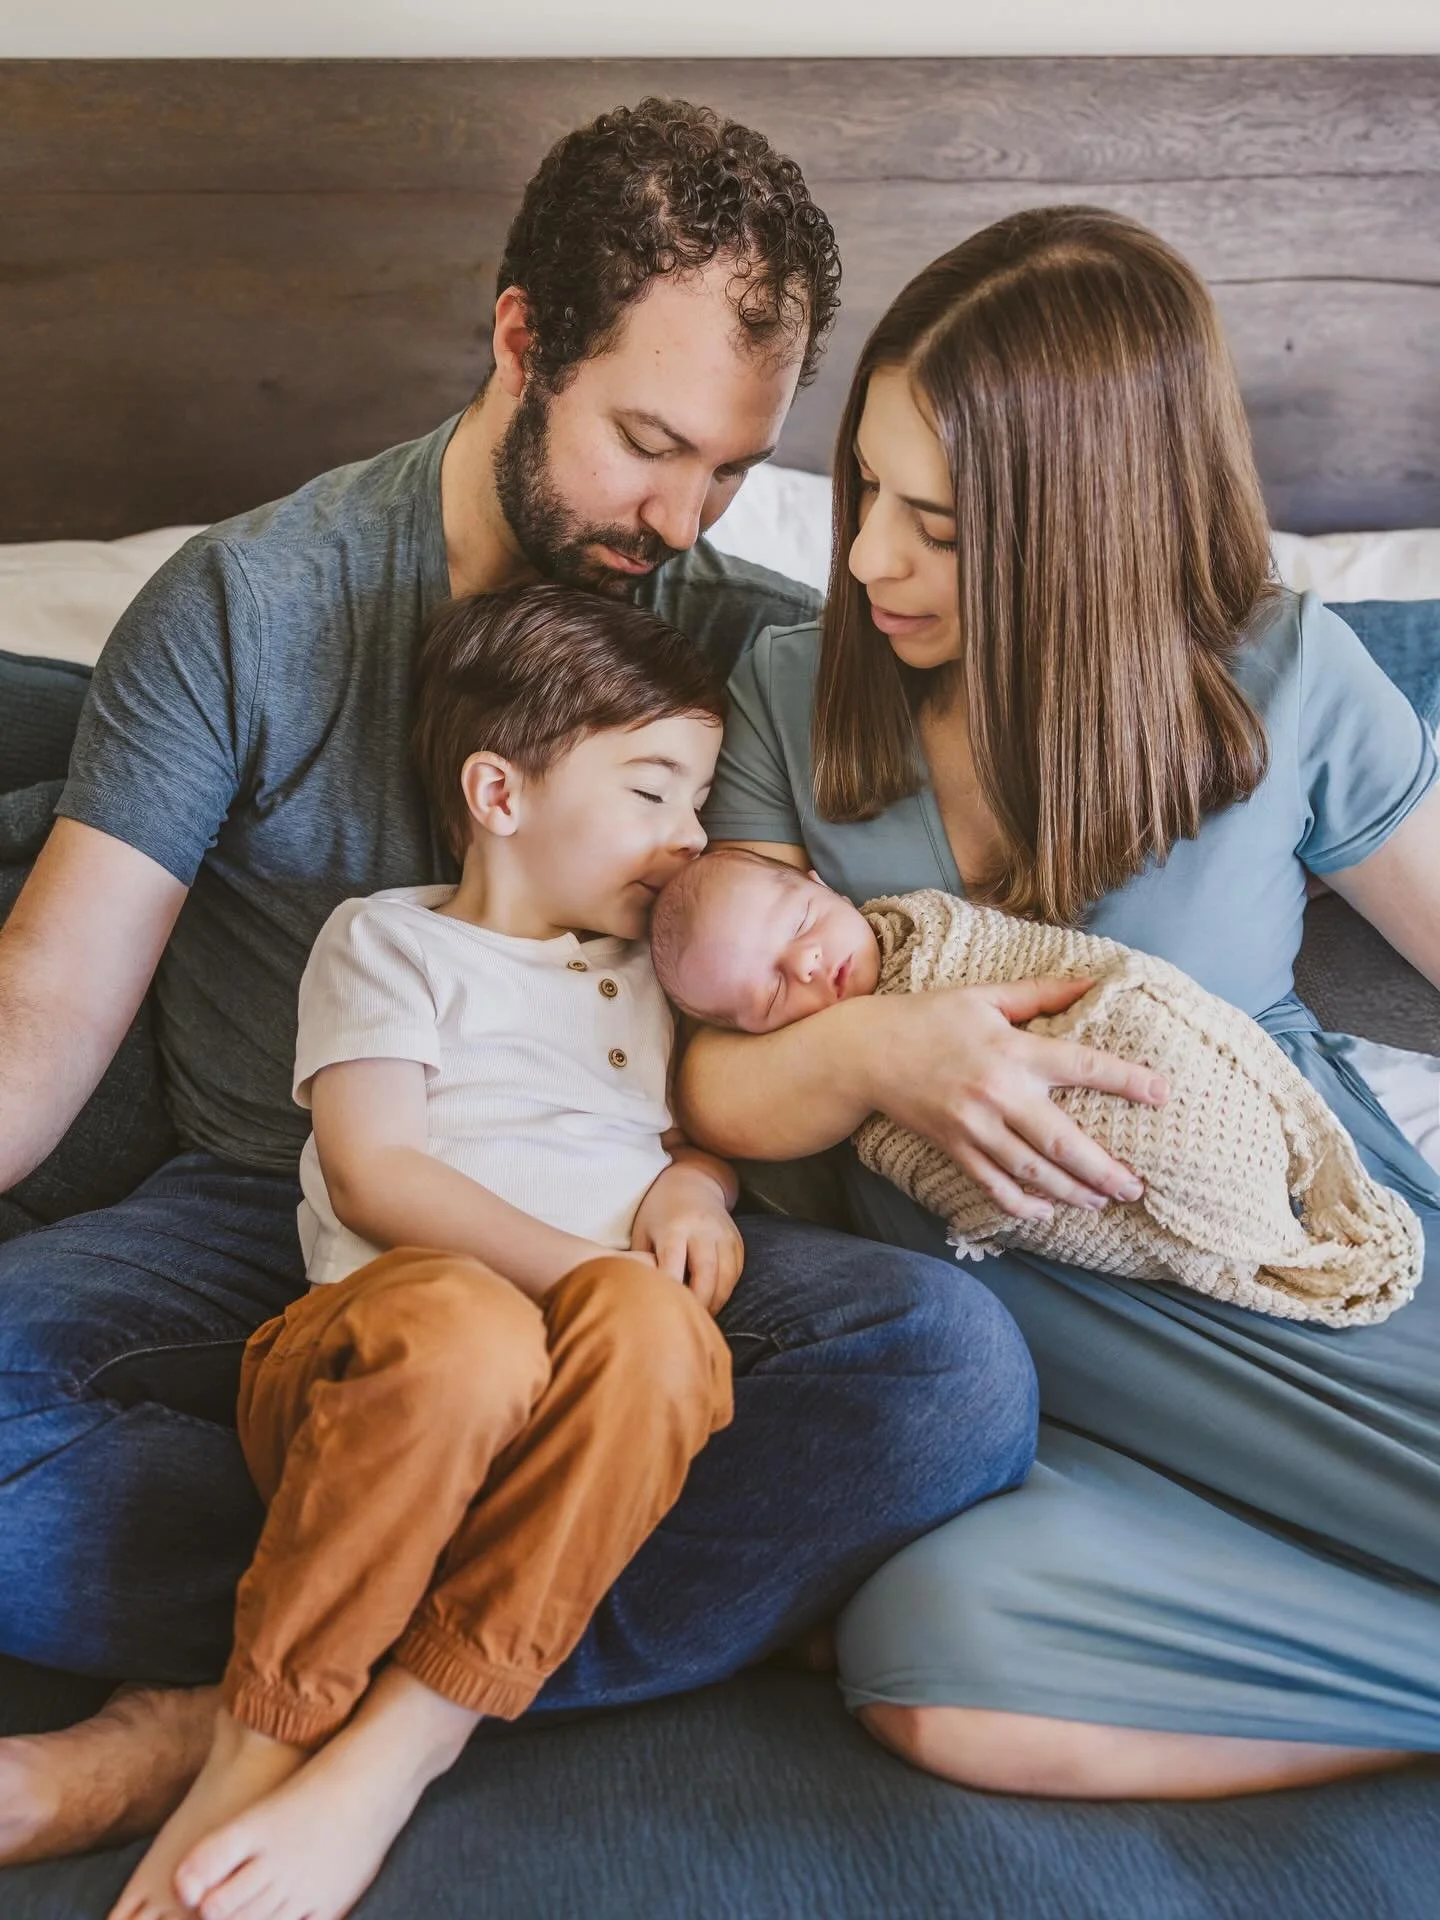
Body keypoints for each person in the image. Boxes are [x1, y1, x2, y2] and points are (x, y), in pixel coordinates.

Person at [0, 99, 1055, 1868]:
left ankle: (256, 1711)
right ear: (518, 341)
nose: (682, 517)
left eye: (731, 470)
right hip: (274, 1212)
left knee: (948, 1378)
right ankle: (487, 1606)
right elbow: (46, 1004)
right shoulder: (253, 605)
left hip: (612, 1223)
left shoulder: (744, 646)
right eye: (649, 442)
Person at [680, 204, 1440, 1798]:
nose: (870, 557)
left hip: (1297, 1288)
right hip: (1044, 1367)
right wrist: (880, 1048)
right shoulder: (794, 693)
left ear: (1089, 521)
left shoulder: (1284, 675)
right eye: (866, 491)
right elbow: (713, 1087)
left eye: (940, 525)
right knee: (939, 1663)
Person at [111, 585, 742, 1920]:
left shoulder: (661, 973)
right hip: (379, 1368)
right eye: (652, 791)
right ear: (498, 794)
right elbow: (374, 1167)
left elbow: (709, 1128)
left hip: (580, 1409)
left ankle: (404, 1746)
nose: (692, 836)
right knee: (472, 1329)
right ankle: (258, 1742)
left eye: (699, 799)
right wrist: (582, 1268)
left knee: (665, 1334)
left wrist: (697, 1191)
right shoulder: (391, 940)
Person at [649, 848, 1422, 1326]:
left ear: (827, 886)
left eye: (799, 927)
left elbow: (1075, 972)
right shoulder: (820, 1098)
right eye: (772, 993)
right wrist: (872, 1051)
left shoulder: (936, 934)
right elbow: (712, 1092)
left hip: (1162, 1064)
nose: (806, 965)